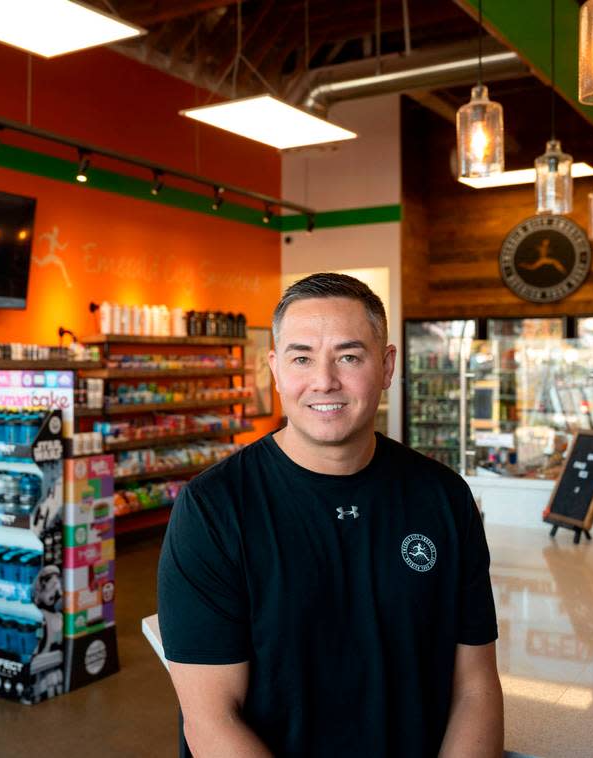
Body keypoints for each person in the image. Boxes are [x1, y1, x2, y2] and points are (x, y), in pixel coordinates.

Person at [157, 273, 502, 757]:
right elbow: (211, 721)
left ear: (386, 366)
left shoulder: (443, 498)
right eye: (302, 358)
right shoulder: (213, 510)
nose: (324, 381)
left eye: (349, 356)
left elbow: (476, 688)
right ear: (275, 369)